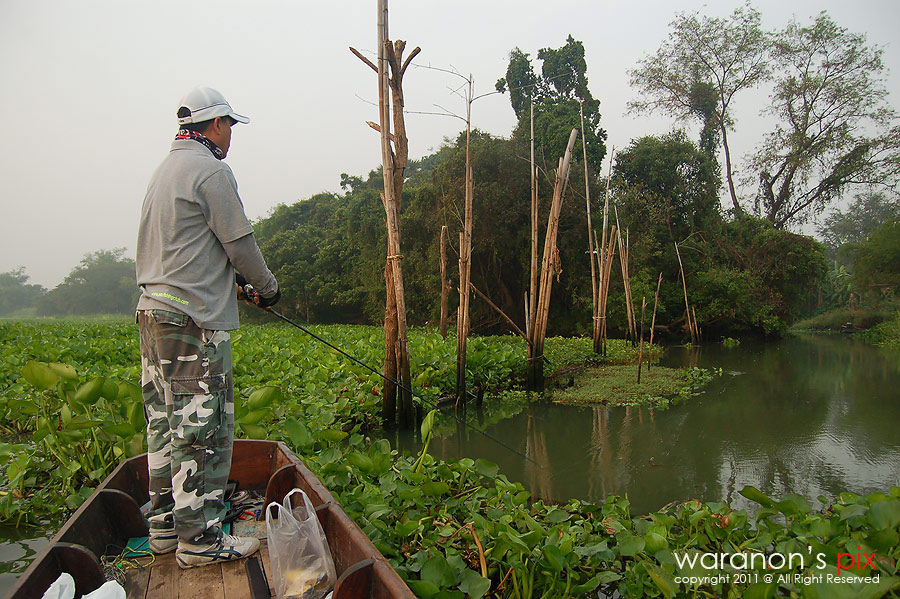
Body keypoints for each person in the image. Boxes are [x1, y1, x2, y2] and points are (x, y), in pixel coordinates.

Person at [135, 86, 280, 569]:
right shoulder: (211, 170)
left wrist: (227, 282)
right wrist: (268, 287)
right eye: (230, 125)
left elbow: (191, 251)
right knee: (202, 428)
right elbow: (240, 245)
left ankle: (163, 529)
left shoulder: (165, 170)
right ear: (214, 125)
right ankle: (199, 541)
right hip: (192, 324)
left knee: (163, 425)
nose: (232, 134)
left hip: (152, 313)